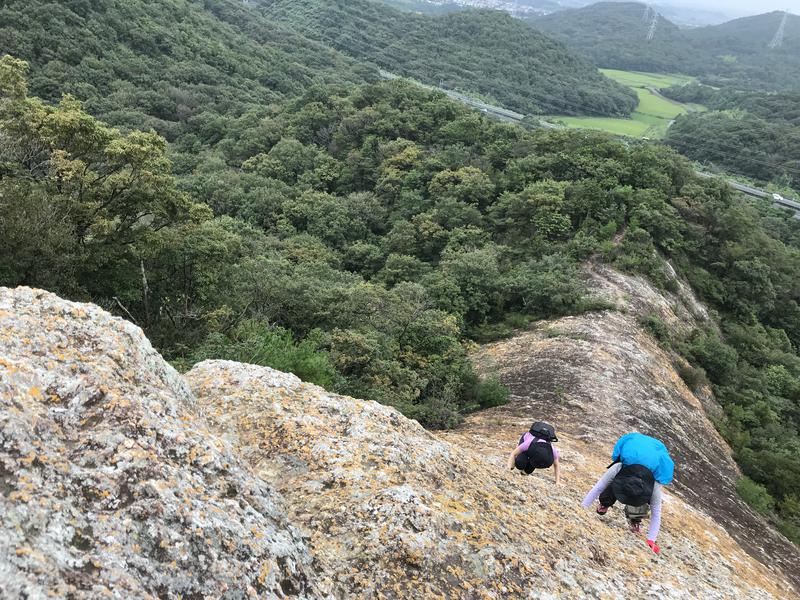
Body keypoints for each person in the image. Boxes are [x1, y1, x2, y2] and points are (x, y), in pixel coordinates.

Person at [581, 432, 674, 554]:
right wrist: (582, 510)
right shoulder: (619, 468)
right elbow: (656, 513)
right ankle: (605, 503)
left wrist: (651, 540)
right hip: (629, 469)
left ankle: (633, 519)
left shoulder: (653, 485)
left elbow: (598, 487)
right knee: (621, 485)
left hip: (642, 471)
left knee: (637, 493)